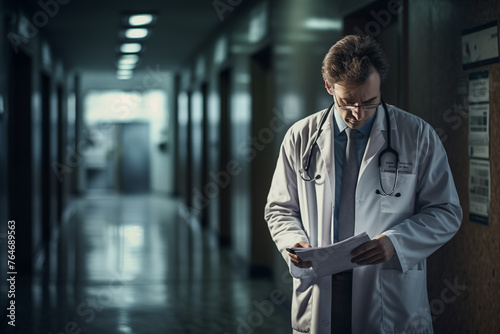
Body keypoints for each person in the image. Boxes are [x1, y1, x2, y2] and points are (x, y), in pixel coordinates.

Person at [264, 35, 462, 334]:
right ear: (329, 87)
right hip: (323, 286)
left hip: (385, 285)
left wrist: (396, 242)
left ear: (380, 83)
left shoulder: (416, 135)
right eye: (347, 102)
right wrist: (294, 243)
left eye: (369, 102)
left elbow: (446, 211)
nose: (358, 113)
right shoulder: (300, 137)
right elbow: (280, 208)